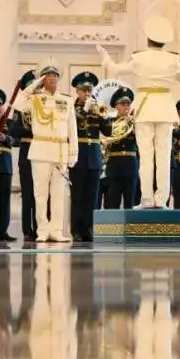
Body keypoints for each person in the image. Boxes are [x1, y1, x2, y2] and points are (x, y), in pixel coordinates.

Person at [97, 15, 180, 208]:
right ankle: (162, 200)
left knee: (146, 157)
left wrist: (105, 58)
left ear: (148, 39)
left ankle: (147, 199)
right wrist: (177, 65)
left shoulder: (139, 57)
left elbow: (115, 69)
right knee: (164, 157)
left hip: (144, 108)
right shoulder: (172, 59)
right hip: (165, 109)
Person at [12, 63, 78, 242]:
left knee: (58, 194)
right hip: (40, 149)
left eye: (54, 75)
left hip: (60, 151)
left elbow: (72, 128)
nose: (52, 78)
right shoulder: (34, 99)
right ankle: (42, 230)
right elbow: (17, 104)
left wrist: (74, 151)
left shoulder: (67, 100)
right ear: (43, 79)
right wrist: (34, 85)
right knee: (40, 193)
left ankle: (56, 230)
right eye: (48, 75)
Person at [69, 71, 111, 241]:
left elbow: (108, 132)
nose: (87, 94)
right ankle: (77, 230)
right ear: (77, 91)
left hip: (94, 158)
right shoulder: (70, 109)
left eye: (89, 90)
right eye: (84, 90)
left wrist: (105, 117)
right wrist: (85, 111)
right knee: (78, 196)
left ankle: (89, 229)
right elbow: (73, 128)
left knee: (92, 196)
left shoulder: (97, 108)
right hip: (78, 156)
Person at [8, 70, 39, 241]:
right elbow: (14, 130)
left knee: (42, 194)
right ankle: (27, 230)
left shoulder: (44, 103)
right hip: (27, 150)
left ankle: (40, 227)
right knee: (28, 193)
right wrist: (32, 128)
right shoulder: (20, 106)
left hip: (43, 149)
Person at [103, 87, 139, 209]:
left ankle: (130, 228)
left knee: (131, 202)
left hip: (131, 164)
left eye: (128, 104)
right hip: (114, 165)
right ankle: (113, 228)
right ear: (116, 106)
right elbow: (106, 136)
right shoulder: (109, 122)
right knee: (113, 201)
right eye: (123, 104)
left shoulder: (135, 122)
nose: (126, 106)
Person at [0, 90, 15, 241]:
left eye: (0, 106)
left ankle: (2, 231)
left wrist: (5, 137)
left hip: (5, 165)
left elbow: (15, 139)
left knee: (4, 200)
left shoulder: (9, 122)